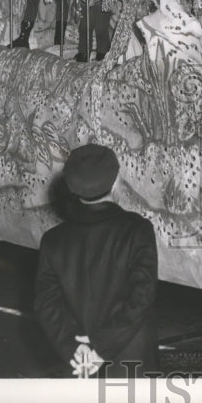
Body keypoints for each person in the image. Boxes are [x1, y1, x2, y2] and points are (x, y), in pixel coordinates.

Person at [35, 144, 158, 378]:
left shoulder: (53, 240)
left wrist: (74, 350)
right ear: (116, 181)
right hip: (132, 358)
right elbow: (141, 297)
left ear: (71, 188)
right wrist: (101, 347)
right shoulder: (137, 230)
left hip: (80, 361)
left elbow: (46, 304)